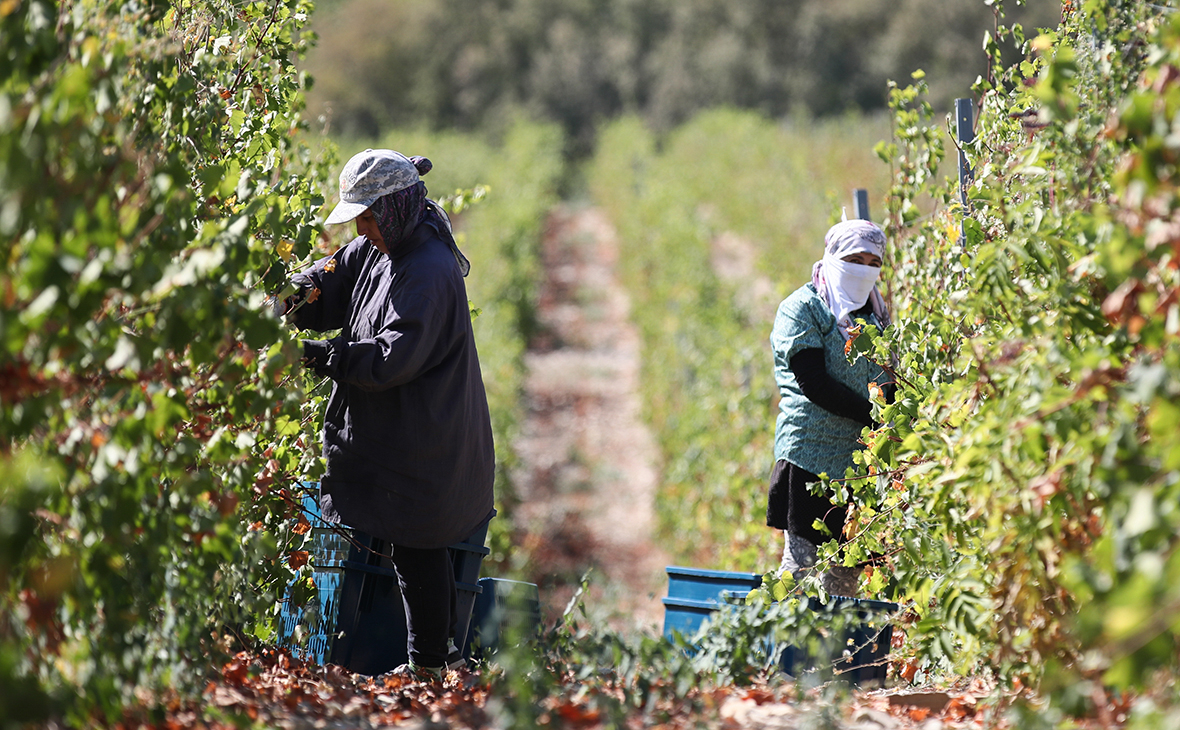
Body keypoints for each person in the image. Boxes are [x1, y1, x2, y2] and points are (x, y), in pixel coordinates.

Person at [278, 148, 495, 681]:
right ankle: (442, 662)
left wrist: (311, 356)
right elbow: (331, 278)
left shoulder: (428, 269)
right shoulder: (379, 246)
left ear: (395, 207)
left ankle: (429, 669)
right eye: (357, 216)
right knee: (418, 546)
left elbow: (389, 358)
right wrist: (289, 294)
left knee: (417, 542)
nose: (361, 226)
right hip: (407, 431)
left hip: (428, 435)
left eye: (368, 215)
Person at [767, 218, 891, 597]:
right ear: (835, 258)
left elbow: (887, 381)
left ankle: (831, 656)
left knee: (845, 578)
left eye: (874, 264)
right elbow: (814, 385)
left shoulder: (875, 315)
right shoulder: (803, 308)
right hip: (811, 455)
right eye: (856, 259)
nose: (864, 270)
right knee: (801, 567)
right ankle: (784, 650)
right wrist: (878, 419)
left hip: (857, 466)